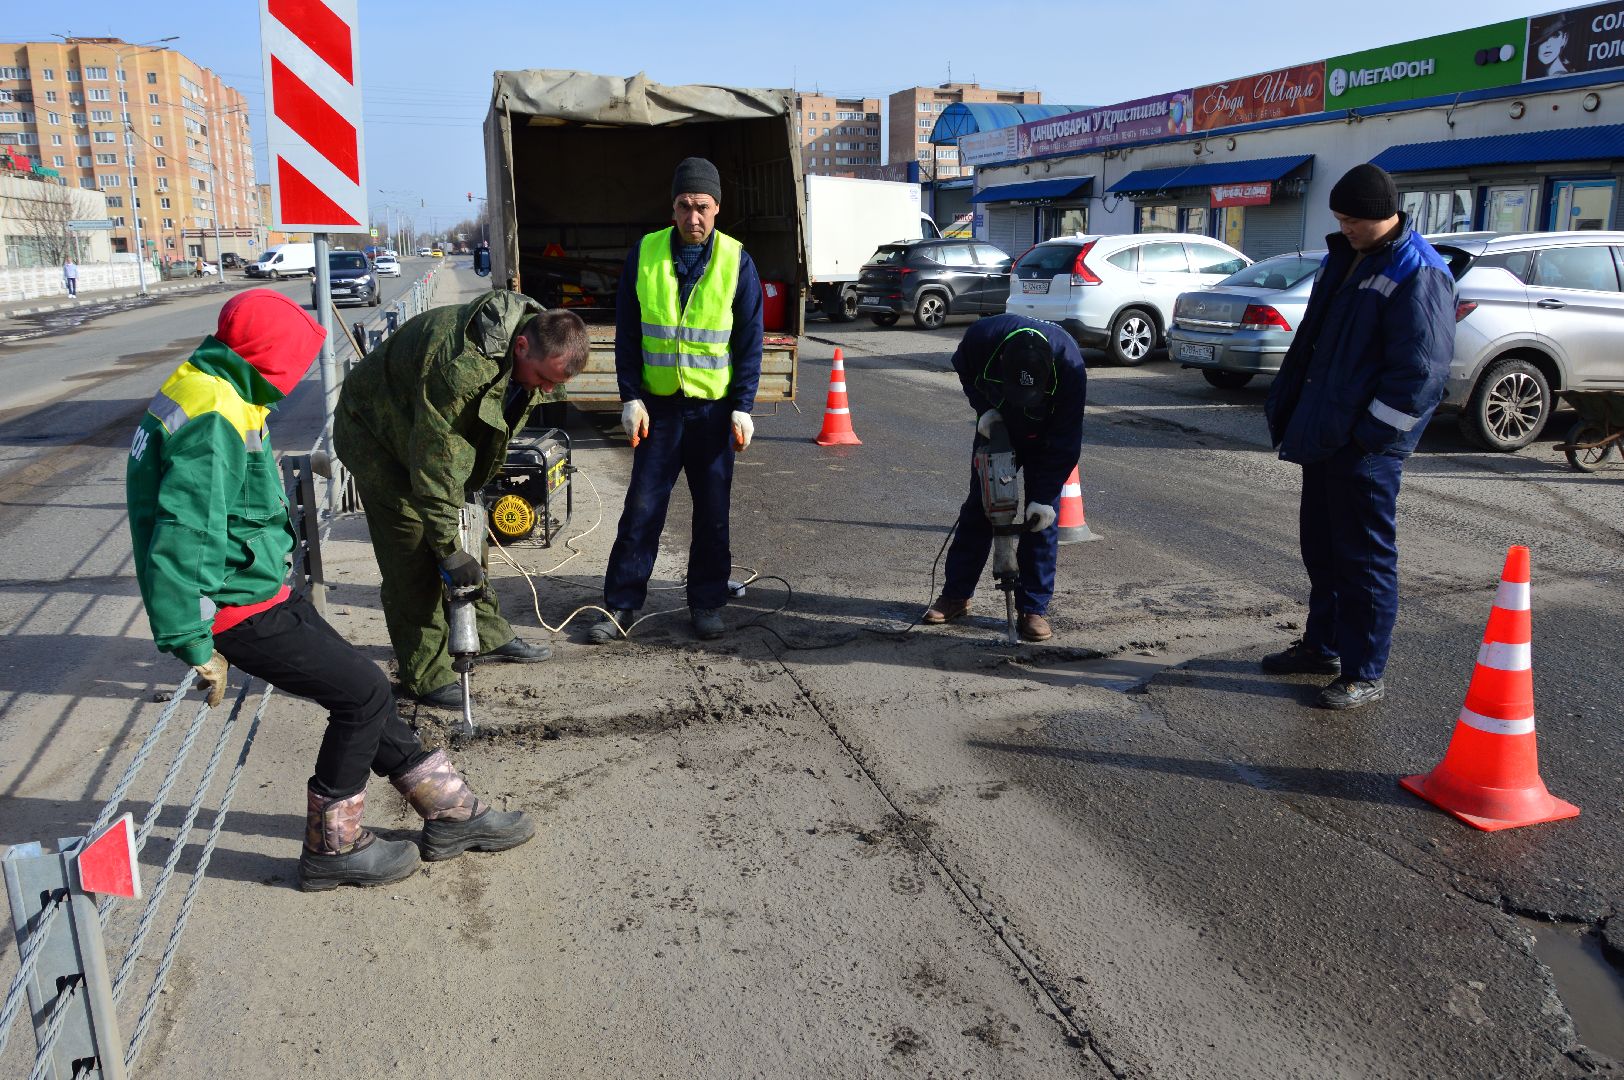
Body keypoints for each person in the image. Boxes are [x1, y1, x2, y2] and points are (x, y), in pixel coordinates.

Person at [126, 289, 535, 892]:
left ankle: (451, 813)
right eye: (295, 363)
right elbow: (185, 534)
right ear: (270, 357)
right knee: (363, 693)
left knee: (363, 691)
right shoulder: (214, 416)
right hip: (237, 608)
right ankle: (333, 847)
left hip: (259, 587)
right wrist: (191, 640)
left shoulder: (212, 386)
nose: (296, 380)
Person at [333, 292, 590, 709]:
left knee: (471, 535)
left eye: (554, 385)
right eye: (544, 379)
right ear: (521, 346)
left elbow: (479, 430)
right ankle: (425, 673)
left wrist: (463, 522)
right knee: (415, 551)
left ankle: (486, 634)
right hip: (378, 438)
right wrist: (448, 550)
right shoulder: (459, 367)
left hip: (431, 435)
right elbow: (435, 466)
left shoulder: (535, 332)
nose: (545, 390)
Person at [1262, 163, 1455, 710]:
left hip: (1365, 450)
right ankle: (1321, 647)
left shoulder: (1417, 272)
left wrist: (1371, 438)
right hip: (1326, 435)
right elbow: (1314, 345)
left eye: (1352, 220)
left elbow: (1420, 373)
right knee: (1322, 552)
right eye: (1339, 218)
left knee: (1364, 561)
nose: (1343, 227)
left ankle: (1364, 672)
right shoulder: (1343, 259)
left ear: (1382, 215)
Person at [588, 157, 764, 644]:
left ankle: (706, 603)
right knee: (642, 509)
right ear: (672, 208)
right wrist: (630, 397)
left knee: (712, 513)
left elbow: (750, 340)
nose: (694, 217)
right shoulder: (644, 255)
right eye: (685, 206)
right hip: (659, 410)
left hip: (712, 412)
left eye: (702, 207)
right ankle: (621, 606)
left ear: (717, 209)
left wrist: (743, 405)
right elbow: (628, 333)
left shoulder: (736, 260)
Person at [922, 314, 1087, 642]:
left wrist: (1044, 496)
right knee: (981, 508)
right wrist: (985, 410)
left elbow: (1067, 439)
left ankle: (1033, 608)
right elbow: (965, 371)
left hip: (1046, 438)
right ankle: (956, 595)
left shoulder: (1069, 365)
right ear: (1000, 361)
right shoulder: (982, 338)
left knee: (1040, 521)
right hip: (997, 426)